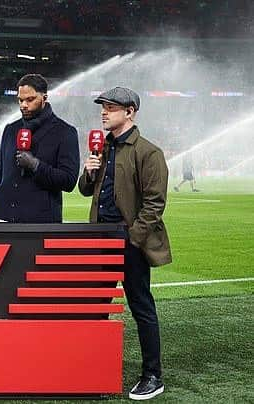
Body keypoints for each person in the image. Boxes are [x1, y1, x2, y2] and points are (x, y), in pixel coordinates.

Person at [78, 87, 172, 400]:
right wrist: (88, 172)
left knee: (141, 306)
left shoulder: (148, 152)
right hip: (100, 238)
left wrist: (133, 239)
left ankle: (152, 374)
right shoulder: (102, 148)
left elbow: (155, 203)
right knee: (97, 305)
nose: (104, 112)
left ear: (129, 111)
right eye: (103, 107)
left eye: (111, 107)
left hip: (129, 241)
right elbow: (85, 190)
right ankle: (94, 368)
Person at [0, 74, 79, 223]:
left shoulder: (65, 132)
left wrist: (36, 166)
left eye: (30, 100)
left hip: (41, 224)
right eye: (20, 100)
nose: (23, 105)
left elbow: (69, 181)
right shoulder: (10, 130)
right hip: (4, 219)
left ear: (44, 98)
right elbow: (0, 170)